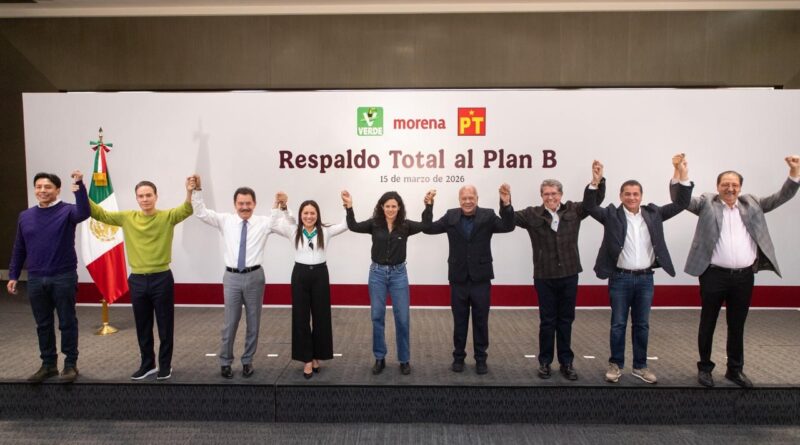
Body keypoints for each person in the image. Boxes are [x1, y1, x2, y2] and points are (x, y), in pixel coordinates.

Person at [685, 156, 800, 388]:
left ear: (740, 188)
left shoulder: (752, 203)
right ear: (717, 186)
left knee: (737, 325)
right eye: (725, 184)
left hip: (744, 277)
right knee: (708, 323)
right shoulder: (706, 203)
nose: (730, 188)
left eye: (734, 185)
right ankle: (705, 368)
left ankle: (734, 370)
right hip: (713, 275)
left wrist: (794, 173)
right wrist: (681, 173)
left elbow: (781, 197)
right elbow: (682, 200)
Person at [583, 154, 692, 384]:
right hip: (620, 278)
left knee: (642, 325)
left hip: (645, 280)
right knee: (618, 324)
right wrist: (595, 181)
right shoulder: (611, 215)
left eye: (635, 194)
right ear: (620, 196)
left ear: (641, 196)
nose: (631, 197)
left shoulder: (654, 214)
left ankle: (640, 366)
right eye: (627, 194)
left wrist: (682, 174)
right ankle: (615, 365)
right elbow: (590, 206)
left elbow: (681, 204)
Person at [89, 177, 193, 381]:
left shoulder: (167, 216)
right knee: (142, 326)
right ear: (136, 198)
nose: (145, 199)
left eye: (148, 195)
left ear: (156, 197)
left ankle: (165, 365)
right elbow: (99, 213)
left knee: (165, 325)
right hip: (137, 279)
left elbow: (186, 209)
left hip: (162, 278)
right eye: (141, 196)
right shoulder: (128, 217)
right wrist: (81, 189)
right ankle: (147, 365)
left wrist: (189, 191)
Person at [191, 175, 293, 379]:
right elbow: (200, 212)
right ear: (235, 204)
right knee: (230, 323)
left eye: (248, 203)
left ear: (254, 204)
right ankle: (225, 361)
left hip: (255, 277)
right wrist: (197, 190)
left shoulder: (265, 222)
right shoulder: (225, 220)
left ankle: (247, 361)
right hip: (232, 278)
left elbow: (290, 227)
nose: (244, 207)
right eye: (241, 203)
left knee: (253, 323)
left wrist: (284, 207)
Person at [514, 161, 605, 381]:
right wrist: (505, 203)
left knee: (565, 320)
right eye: (546, 194)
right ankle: (545, 362)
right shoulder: (532, 214)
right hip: (544, 276)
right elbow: (509, 219)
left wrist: (596, 182)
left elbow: (594, 202)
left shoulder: (574, 209)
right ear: (541, 196)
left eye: (554, 193)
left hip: (569, 274)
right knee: (547, 322)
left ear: (561, 194)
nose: (550, 197)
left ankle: (566, 362)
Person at [341, 189, 436, 376]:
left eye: (394, 206)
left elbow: (426, 224)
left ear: (399, 208)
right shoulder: (374, 224)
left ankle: (404, 359)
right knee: (377, 317)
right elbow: (353, 226)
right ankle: (379, 357)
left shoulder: (406, 226)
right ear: (382, 207)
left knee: (402, 319)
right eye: (387, 206)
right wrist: (349, 207)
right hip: (377, 274)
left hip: (399, 275)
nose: (391, 209)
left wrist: (428, 205)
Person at [8, 171, 89, 383]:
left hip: (63, 276)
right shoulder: (25, 216)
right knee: (42, 324)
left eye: (47, 187)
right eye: (39, 187)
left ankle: (70, 364)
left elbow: (84, 212)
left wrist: (80, 186)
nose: (42, 190)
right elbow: (19, 247)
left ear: (57, 190)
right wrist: (13, 274)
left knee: (67, 322)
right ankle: (48, 365)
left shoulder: (67, 211)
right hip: (35, 279)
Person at [424, 184, 514, 375]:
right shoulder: (451, 216)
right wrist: (429, 207)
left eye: (471, 198)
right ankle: (458, 357)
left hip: (481, 278)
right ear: (459, 200)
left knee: (481, 321)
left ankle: (481, 359)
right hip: (458, 278)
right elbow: (428, 229)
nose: (467, 201)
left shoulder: (488, 215)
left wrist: (506, 205)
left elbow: (508, 226)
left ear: (477, 199)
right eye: (464, 198)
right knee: (460, 321)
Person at [272, 198, 347, 379]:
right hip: (300, 275)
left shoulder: (325, 231)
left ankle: (316, 357)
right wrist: (278, 206)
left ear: (317, 215)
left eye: (312, 213)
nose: (309, 216)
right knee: (301, 318)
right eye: (305, 213)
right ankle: (306, 358)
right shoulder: (293, 230)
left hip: (320, 275)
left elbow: (346, 225)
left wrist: (347, 206)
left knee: (321, 317)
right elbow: (272, 225)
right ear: (300, 215)